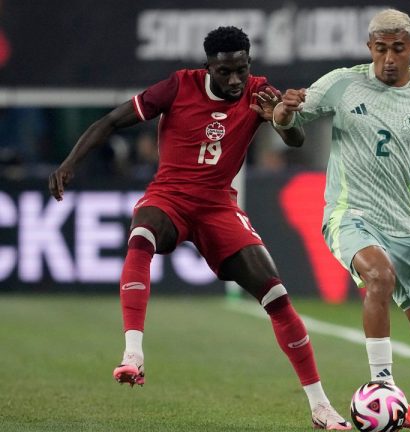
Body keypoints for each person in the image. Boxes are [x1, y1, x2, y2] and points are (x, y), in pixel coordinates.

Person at [47, 26, 351, 430]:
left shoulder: (259, 91)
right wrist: (69, 164)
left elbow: (294, 139)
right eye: (224, 72)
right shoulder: (178, 86)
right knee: (142, 235)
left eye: (241, 70)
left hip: (218, 207)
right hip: (169, 197)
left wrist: (283, 117)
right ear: (208, 67)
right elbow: (112, 121)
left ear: (248, 64)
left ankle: (320, 406)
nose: (234, 80)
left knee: (276, 296)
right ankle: (133, 353)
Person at [272, 9, 410, 432]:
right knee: (379, 276)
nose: (389, 58)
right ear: (370, 47)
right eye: (381, 49)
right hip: (348, 214)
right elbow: (290, 127)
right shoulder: (342, 83)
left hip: (402, 227)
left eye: (398, 49)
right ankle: (383, 386)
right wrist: (284, 112)